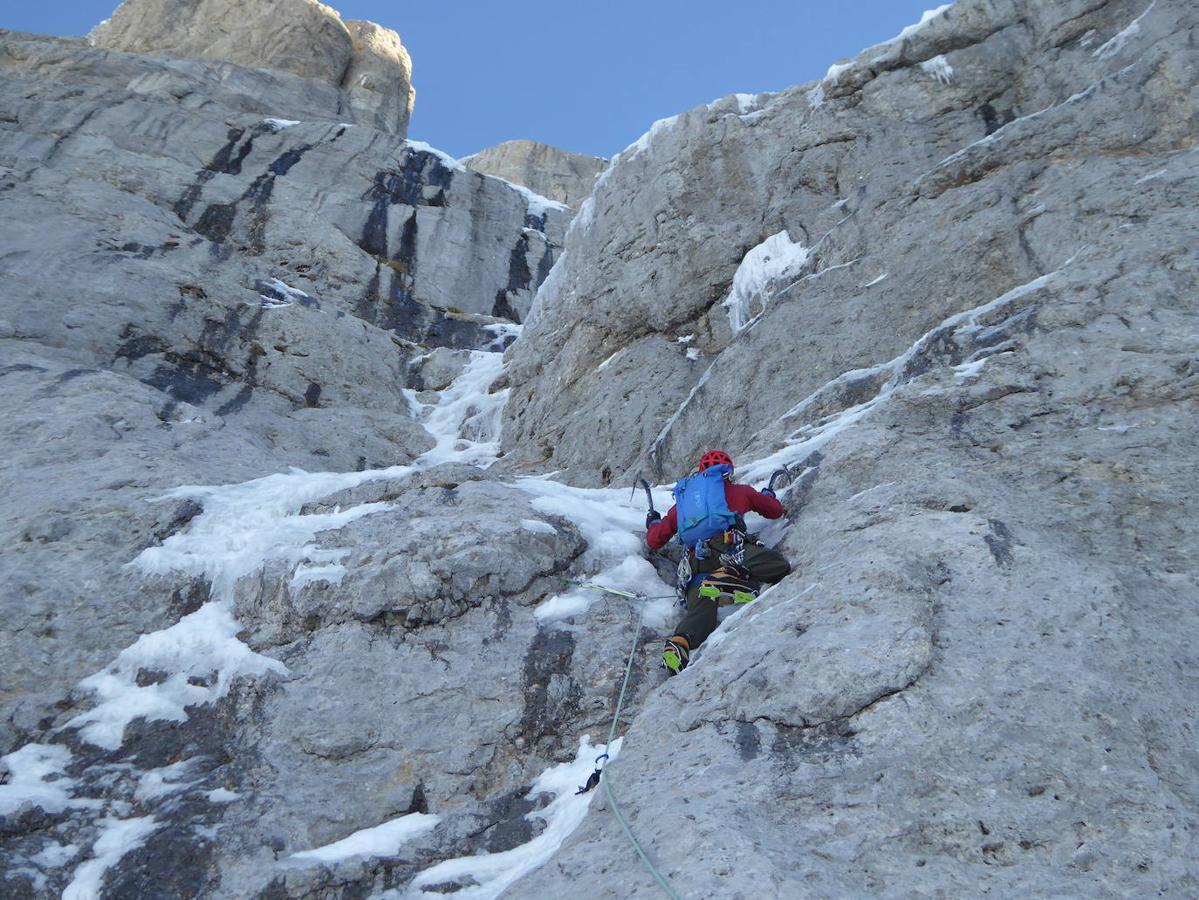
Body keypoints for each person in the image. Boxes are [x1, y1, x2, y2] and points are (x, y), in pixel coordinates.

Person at [646, 450, 791, 674]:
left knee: (701, 610)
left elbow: (654, 540)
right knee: (777, 566)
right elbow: (774, 511)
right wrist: (767, 496)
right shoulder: (739, 492)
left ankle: (680, 642)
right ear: (728, 471)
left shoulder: (683, 505)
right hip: (730, 550)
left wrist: (653, 521)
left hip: (696, 565)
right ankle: (729, 580)